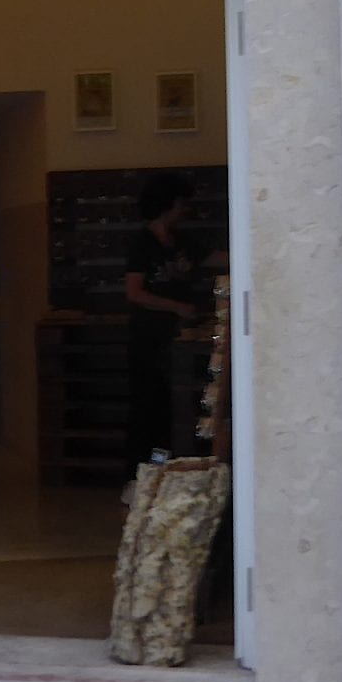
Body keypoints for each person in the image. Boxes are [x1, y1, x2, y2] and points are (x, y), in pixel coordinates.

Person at [122, 171, 224, 499]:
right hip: (149, 340)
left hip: (178, 341)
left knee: (177, 408)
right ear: (168, 203)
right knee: (150, 409)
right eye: (181, 203)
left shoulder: (182, 243)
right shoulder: (142, 244)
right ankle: (141, 477)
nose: (186, 209)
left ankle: (168, 473)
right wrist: (176, 307)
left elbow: (214, 258)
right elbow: (134, 292)